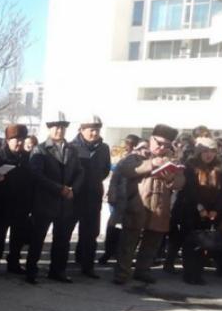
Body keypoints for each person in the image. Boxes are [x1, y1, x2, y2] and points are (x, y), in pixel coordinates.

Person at [114, 124, 186, 285]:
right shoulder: (137, 155)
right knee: (128, 242)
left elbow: (180, 182)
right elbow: (126, 169)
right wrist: (152, 164)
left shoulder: (173, 160)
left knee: (152, 243)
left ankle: (142, 271)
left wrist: (171, 179)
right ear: (151, 139)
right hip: (138, 204)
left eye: (166, 145)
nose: (161, 147)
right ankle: (122, 273)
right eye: (159, 143)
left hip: (160, 207)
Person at [25, 115, 84, 284]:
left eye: (62, 127)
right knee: (38, 238)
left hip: (66, 202)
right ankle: (31, 271)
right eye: (56, 127)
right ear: (49, 129)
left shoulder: (72, 150)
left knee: (63, 240)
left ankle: (58, 270)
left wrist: (73, 189)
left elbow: (80, 172)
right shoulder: (40, 149)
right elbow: (37, 175)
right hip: (45, 201)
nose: (59, 130)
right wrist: (60, 189)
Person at [178, 138, 222, 285]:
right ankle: (189, 273)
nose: (209, 155)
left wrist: (215, 210)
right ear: (199, 152)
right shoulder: (191, 167)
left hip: (211, 212)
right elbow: (189, 191)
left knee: (204, 243)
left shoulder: (219, 169)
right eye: (205, 151)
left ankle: (198, 273)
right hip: (192, 210)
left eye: (212, 151)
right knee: (190, 243)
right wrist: (200, 208)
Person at [70, 115, 111, 278]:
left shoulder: (104, 148)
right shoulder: (72, 147)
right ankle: (59, 266)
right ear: (82, 130)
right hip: (74, 195)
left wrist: (94, 181)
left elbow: (106, 170)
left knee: (90, 233)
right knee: (65, 231)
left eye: (97, 130)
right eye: (91, 130)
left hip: (93, 195)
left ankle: (87, 266)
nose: (95, 133)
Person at [0, 124, 33, 275]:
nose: (19, 143)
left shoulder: (27, 158)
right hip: (2, 205)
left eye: (21, 139)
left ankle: (13, 262)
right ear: (8, 140)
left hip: (21, 205)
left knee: (18, 237)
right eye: (15, 139)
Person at [99, 134, 141, 265]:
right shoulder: (123, 158)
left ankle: (123, 255)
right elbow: (115, 178)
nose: (129, 147)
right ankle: (108, 252)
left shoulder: (143, 161)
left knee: (129, 229)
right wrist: (112, 193)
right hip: (120, 198)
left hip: (136, 200)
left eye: (132, 144)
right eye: (128, 144)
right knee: (113, 226)